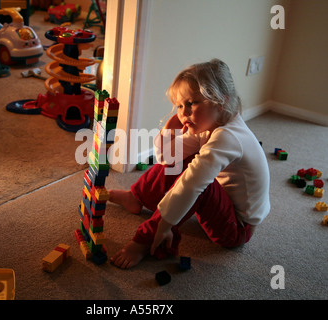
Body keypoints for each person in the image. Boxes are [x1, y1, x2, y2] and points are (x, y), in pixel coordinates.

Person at [109, 59, 270, 269]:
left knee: (196, 180)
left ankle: (145, 240)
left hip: (237, 228)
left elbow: (193, 184)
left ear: (221, 102)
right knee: (183, 161)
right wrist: (170, 129)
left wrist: (165, 225)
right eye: (179, 106)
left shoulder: (229, 136)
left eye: (191, 104)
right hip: (222, 204)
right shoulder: (208, 126)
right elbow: (167, 158)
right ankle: (136, 197)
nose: (183, 112)